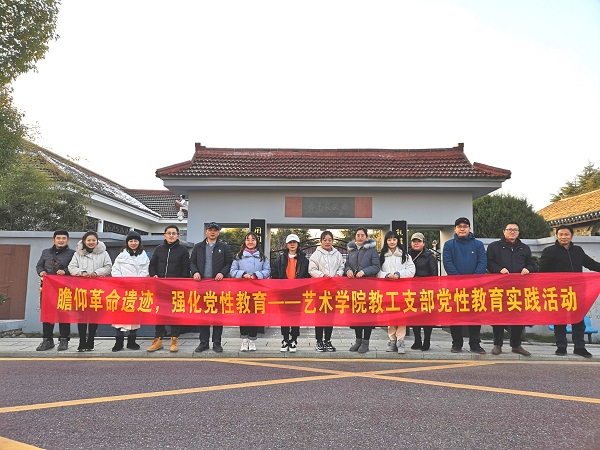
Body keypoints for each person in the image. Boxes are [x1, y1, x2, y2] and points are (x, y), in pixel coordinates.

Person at [540, 224, 600, 358]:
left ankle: (579, 347)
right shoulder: (549, 251)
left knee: (578, 320)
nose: (563, 237)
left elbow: (591, 264)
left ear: (571, 236)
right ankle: (561, 346)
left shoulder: (578, 250)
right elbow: (542, 271)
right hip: (558, 292)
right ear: (556, 236)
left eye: (566, 234)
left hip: (577, 291)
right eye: (560, 234)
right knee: (559, 319)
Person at [486, 222, 537, 357]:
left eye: (515, 230)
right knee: (499, 316)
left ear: (519, 232)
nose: (512, 232)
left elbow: (532, 264)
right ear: (504, 231)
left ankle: (516, 345)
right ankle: (497, 344)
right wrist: (498, 269)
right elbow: (489, 262)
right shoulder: (494, 247)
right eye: (509, 229)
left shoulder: (524, 248)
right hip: (500, 287)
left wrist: (528, 269)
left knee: (518, 316)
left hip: (519, 288)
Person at [442, 217, 487, 354]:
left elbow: (482, 262)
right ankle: (457, 344)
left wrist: (473, 280)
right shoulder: (449, 245)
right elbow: (448, 263)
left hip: (475, 287)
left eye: (465, 226)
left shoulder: (478, 244)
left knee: (475, 316)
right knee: (455, 316)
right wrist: (460, 281)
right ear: (455, 229)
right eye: (459, 226)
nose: (462, 229)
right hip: (455, 287)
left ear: (469, 229)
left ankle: (475, 344)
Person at [190, 222, 233, 353]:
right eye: (210, 230)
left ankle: (217, 342)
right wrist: (195, 272)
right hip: (202, 285)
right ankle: (203, 342)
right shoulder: (198, 247)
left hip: (218, 285)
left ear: (218, 232)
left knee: (217, 315)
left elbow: (229, 263)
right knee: (203, 314)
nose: (212, 232)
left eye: (215, 230)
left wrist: (222, 273)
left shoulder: (224, 247)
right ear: (206, 232)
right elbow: (192, 262)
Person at [146, 225, 190, 353]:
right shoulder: (159, 249)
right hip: (160, 287)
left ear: (178, 235)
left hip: (176, 288)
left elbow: (186, 269)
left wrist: (180, 283)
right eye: (169, 233)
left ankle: (174, 341)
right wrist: (154, 275)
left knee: (174, 314)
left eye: (174, 233)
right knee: (160, 314)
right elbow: (152, 265)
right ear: (165, 235)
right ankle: (158, 340)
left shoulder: (183, 250)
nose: (171, 235)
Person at [68, 231, 112, 351]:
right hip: (81, 288)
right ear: (84, 241)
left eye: (93, 240)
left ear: (97, 241)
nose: (91, 242)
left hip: (97, 288)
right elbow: (71, 267)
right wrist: (82, 272)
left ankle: (91, 340)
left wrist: (97, 272)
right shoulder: (78, 253)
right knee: (81, 315)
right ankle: (82, 342)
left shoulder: (103, 253)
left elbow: (108, 266)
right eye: (88, 240)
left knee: (94, 315)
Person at [35, 230, 76, 351]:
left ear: (67, 240)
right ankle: (47, 340)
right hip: (48, 288)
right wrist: (41, 272)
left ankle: (64, 340)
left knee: (64, 313)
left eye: (63, 238)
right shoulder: (46, 252)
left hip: (65, 288)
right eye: (58, 238)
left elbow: (75, 267)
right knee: (48, 313)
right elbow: (39, 265)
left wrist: (65, 271)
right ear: (54, 240)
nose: (61, 240)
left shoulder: (73, 253)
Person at [230, 231, 271, 351]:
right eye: (248, 239)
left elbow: (267, 271)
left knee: (255, 316)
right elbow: (232, 271)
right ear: (244, 242)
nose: (250, 242)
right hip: (242, 291)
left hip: (257, 291)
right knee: (243, 315)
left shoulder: (262, 257)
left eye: (253, 239)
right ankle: (244, 340)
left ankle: (252, 340)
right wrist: (242, 274)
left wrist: (256, 275)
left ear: (257, 242)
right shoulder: (238, 257)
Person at [110, 231, 149, 352]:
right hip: (122, 289)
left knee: (134, 316)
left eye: (135, 241)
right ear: (127, 242)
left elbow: (146, 271)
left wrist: (135, 282)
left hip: (136, 289)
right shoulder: (121, 256)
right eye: (131, 241)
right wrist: (123, 281)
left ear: (139, 242)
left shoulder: (144, 256)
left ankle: (132, 341)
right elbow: (115, 270)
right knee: (119, 316)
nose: (133, 243)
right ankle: (118, 342)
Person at [378, 230, 415, 354]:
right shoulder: (382, 255)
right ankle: (392, 340)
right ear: (386, 241)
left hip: (402, 290)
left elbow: (411, 270)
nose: (392, 242)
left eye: (394, 239)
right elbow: (377, 271)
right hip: (387, 290)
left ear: (398, 241)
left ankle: (400, 340)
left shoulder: (405, 255)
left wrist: (399, 274)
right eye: (389, 239)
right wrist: (386, 275)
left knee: (401, 315)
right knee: (390, 315)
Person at [271, 233, 310, 352]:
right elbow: (274, 273)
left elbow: (307, 275)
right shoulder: (280, 258)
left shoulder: (304, 259)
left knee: (295, 317)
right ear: (287, 244)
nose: (292, 244)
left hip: (298, 293)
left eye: (294, 242)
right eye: (290, 242)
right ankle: (285, 339)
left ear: (298, 244)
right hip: (283, 292)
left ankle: (293, 340)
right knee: (284, 317)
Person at [345, 227, 381, 353]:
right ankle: (358, 341)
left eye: (362, 235)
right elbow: (347, 265)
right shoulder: (351, 250)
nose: (360, 237)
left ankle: (366, 342)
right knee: (356, 315)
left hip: (368, 287)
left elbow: (376, 267)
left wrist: (364, 272)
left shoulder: (372, 251)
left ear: (366, 237)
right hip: (355, 288)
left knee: (367, 315)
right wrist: (348, 271)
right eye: (358, 235)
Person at [308, 230, 345, 352]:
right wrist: (322, 276)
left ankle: (327, 340)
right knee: (319, 315)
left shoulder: (337, 254)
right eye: (325, 240)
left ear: (332, 241)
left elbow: (342, 266)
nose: (327, 242)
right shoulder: (316, 254)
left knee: (330, 315)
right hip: (320, 289)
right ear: (321, 241)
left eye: (329, 240)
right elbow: (311, 269)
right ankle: (319, 340)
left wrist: (338, 274)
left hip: (333, 289)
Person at [407, 232, 438, 351]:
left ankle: (427, 340)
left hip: (426, 291)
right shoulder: (407, 255)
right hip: (411, 291)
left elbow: (434, 274)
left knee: (427, 317)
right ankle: (417, 340)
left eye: (419, 241)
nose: (416, 243)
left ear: (423, 243)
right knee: (414, 316)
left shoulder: (429, 256)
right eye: (414, 241)